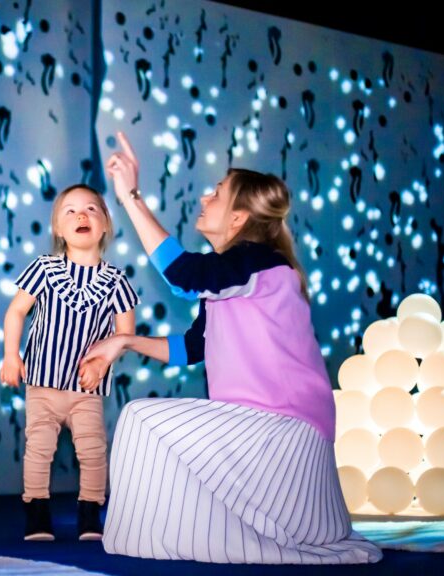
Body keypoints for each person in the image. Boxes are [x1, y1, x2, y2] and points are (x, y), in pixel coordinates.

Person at [79, 132, 382, 563]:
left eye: (217, 193)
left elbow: (182, 273)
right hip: (263, 435)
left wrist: (129, 195)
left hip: (285, 440)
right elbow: (191, 347)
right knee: (145, 423)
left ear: (239, 219)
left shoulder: (258, 262)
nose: (205, 197)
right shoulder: (236, 278)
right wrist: (125, 341)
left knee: (142, 419)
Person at [0, 184, 138, 541]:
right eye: (71, 211)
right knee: (39, 449)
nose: (81, 215)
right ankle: (37, 512)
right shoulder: (44, 269)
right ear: (59, 230)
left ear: (106, 224)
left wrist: (103, 364)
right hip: (42, 383)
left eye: (92, 209)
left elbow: (125, 335)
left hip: (85, 387)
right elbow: (16, 312)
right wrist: (11, 355)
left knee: (93, 451)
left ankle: (90, 513)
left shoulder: (117, 281)